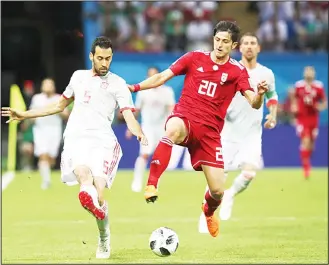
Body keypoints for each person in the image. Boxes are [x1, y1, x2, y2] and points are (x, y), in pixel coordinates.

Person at [1, 36, 147, 259]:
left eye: (108, 58)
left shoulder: (118, 83)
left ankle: (103, 236)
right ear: (91, 56)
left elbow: (128, 113)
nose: (104, 63)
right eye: (100, 58)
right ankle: (94, 212)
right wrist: (25, 114)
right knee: (82, 174)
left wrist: (136, 129)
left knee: (98, 195)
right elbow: (59, 105)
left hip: (102, 141)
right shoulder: (78, 77)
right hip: (76, 138)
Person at [128, 21, 269, 238]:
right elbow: (162, 77)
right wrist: (135, 87)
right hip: (185, 117)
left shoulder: (237, 71)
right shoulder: (194, 58)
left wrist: (259, 94)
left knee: (217, 191)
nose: (219, 45)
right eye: (217, 40)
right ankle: (152, 184)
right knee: (172, 130)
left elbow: (253, 102)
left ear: (233, 46)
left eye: (225, 42)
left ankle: (208, 211)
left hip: (210, 134)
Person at [197, 32, 278, 231]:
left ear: (259, 48)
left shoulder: (266, 73)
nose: (249, 46)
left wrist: (273, 114)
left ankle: (230, 195)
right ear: (239, 48)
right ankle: (205, 214)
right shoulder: (231, 69)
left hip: (251, 134)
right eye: (245, 43)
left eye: (253, 43)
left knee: (249, 173)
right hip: (227, 133)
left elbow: (272, 95)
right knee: (217, 178)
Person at [126, 66, 176, 192]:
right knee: (144, 154)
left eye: (155, 75)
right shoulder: (143, 92)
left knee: (160, 157)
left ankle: (155, 183)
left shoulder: (167, 91)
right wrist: (131, 127)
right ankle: (137, 182)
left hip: (162, 129)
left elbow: (171, 109)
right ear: (147, 77)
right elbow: (137, 110)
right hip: (147, 128)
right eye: (150, 75)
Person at [29, 78, 69, 189]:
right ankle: (46, 181)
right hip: (40, 130)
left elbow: (66, 115)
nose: (47, 87)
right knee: (43, 154)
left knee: (51, 158)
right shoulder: (37, 98)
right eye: (45, 85)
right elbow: (32, 114)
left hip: (54, 130)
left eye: (49, 85)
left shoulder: (58, 98)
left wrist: (56, 109)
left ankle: (46, 171)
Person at [290, 66, 327, 179]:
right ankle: (306, 168)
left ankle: (306, 160)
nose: (309, 73)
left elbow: (324, 102)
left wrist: (320, 107)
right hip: (302, 118)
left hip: (314, 119)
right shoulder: (299, 85)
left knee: (311, 145)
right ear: (304, 73)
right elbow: (293, 98)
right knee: (305, 140)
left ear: (314, 73)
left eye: (311, 71)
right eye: (307, 71)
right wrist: (294, 107)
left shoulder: (319, 86)